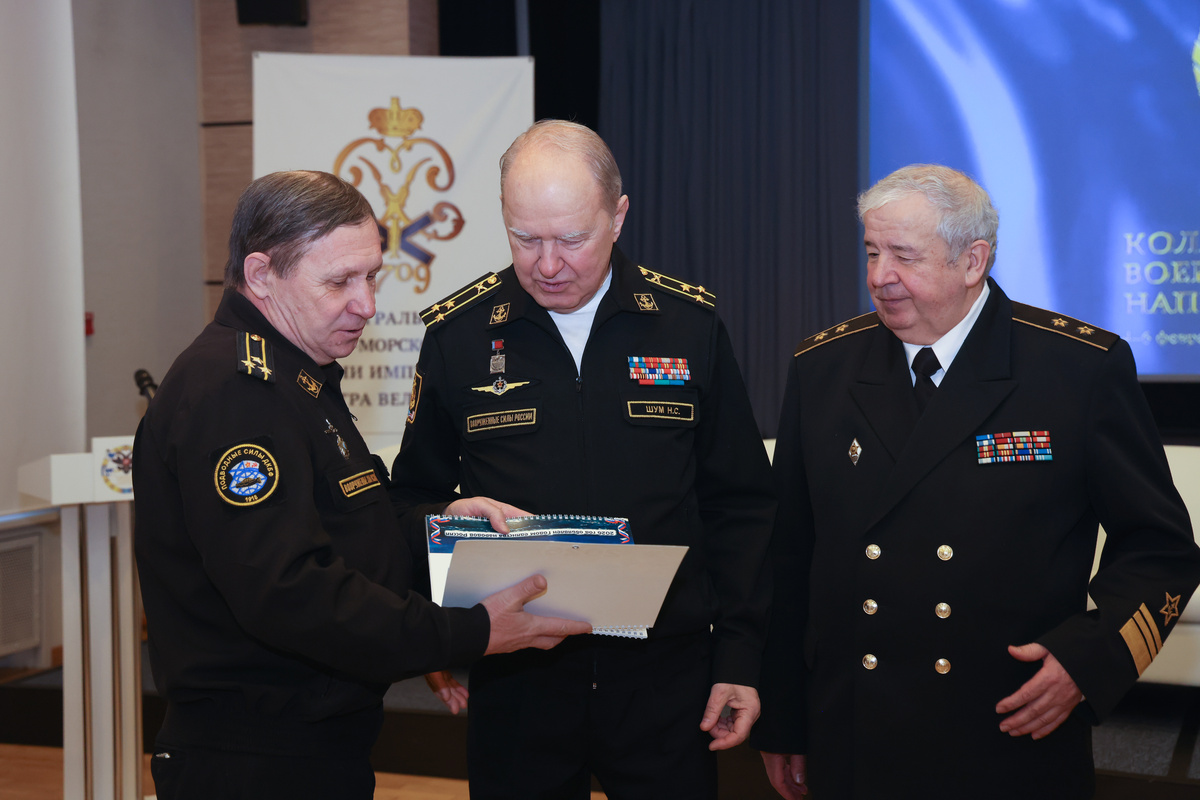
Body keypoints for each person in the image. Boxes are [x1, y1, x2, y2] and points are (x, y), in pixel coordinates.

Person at [133, 170, 591, 800]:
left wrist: (442, 522)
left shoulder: (298, 374)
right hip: (253, 757)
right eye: (339, 281)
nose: (367, 305)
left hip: (309, 745)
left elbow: (350, 526)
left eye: (372, 276)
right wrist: (471, 632)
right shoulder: (236, 390)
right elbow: (291, 592)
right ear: (262, 274)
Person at [751, 163, 1200, 798]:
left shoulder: (1077, 369)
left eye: (904, 256)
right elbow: (789, 559)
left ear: (973, 261)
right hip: (854, 732)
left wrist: (1087, 662)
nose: (879, 276)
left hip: (1006, 731)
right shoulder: (822, 367)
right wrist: (784, 719)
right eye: (872, 252)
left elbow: (1160, 552)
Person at [389, 120, 776, 799]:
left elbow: (740, 505)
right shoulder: (459, 336)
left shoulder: (687, 326)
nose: (547, 264)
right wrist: (442, 602)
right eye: (524, 238)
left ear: (617, 217)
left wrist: (740, 657)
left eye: (571, 239)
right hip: (518, 679)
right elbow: (406, 502)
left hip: (666, 679)